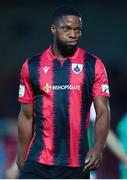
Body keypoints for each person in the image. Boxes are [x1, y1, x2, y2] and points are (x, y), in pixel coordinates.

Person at [17, 5, 110, 179]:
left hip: (77, 163)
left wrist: (98, 148)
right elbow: (26, 115)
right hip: (38, 161)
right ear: (53, 29)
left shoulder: (93, 65)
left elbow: (103, 112)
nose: (73, 34)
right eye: (67, 28)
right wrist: (22, 154)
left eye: (78, 30)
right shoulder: (31, 66)